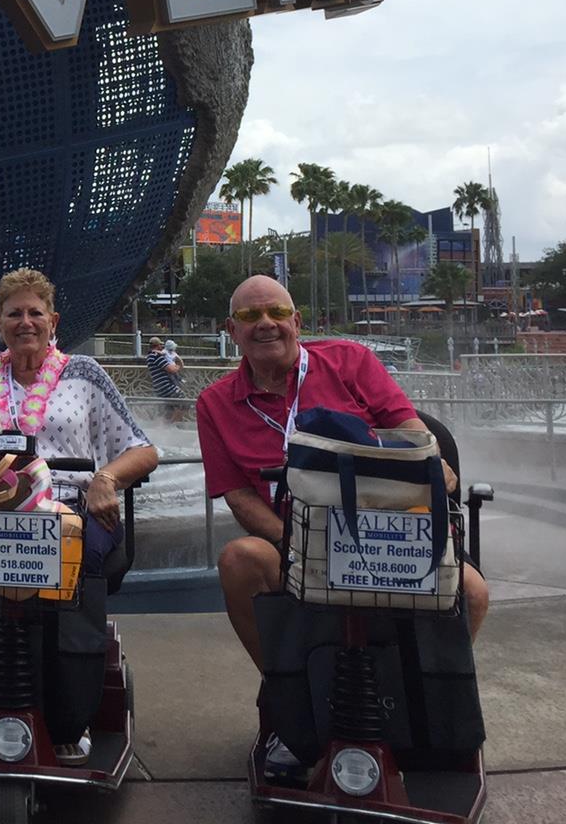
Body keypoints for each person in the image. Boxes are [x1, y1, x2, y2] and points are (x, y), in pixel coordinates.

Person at [197, 274, 491, 778]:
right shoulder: (215, 403)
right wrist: (292, 546)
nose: (264, 324)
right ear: (232, 330)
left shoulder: (349, 361)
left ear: (297, 321)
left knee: (471, 590)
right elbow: (238, 494)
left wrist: (423, 459)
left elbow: (412, 431)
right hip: (294, 544)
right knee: (239, 560)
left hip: (384, 534)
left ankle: (414, 696)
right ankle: (290, 699)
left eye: (275, 312)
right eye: (249, 317)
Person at [0, 267, 159, 764]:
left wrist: (106, 480)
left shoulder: (86, 374)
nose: (25, 322)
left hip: (71, 506)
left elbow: (141, 448)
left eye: (34, 312)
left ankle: (71, 709)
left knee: (76, 561)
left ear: (53, 321)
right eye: (14, 313)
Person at [146, 335, 185, 399]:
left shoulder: (149, 356)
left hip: (158, 388)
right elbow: (171, 369)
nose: (162, 346)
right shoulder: (156, 356)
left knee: (170, 407)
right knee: (182, 403)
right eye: (160, 345)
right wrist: (178, 366)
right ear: (158, 345)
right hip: (166, 387)